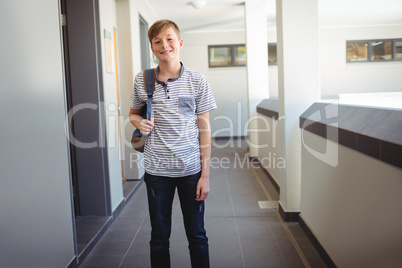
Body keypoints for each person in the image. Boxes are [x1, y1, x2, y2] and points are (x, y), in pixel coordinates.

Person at [129, 19, 217, 268]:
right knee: (159, 238)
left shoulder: (197, 81)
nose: (164, 45)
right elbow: (133, 113)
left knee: (197, 236)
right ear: (152, 47)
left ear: (179, 43)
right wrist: (138, 123)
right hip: (157, 172)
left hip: (191, 171)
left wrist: (205, 175)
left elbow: (204, 129)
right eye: (157, 41)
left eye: (169, 39)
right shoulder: (142, 80)